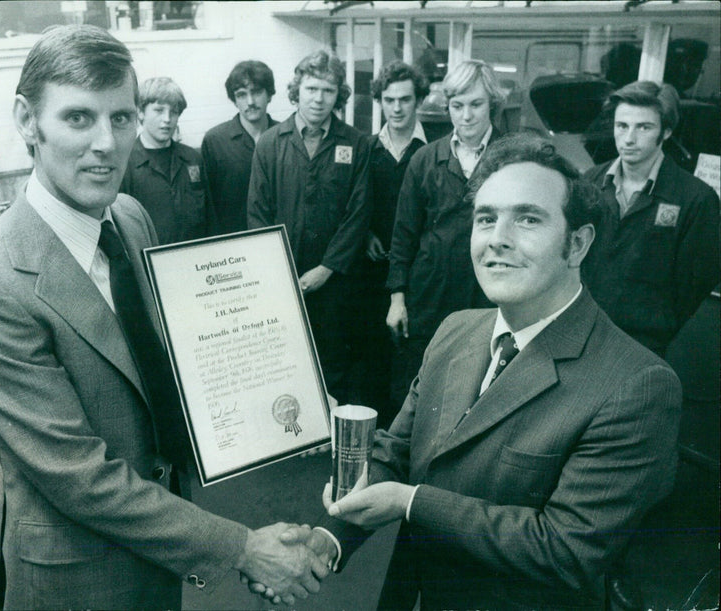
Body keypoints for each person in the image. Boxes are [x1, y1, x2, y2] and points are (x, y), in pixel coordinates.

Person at [0, 25, 328, 610]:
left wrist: (273, 417)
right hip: (78, 576)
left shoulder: (127, 215)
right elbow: (80, 477)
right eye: (79, 118)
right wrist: (244, 547)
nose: (107, 143)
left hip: (158, 550)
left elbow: (156, 369)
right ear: (27, 121)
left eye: (121, 118)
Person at [278, 133, 682, 610]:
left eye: (527, 219)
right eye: (486, 219)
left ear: (577, 244)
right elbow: (397, 452)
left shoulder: (636, 384)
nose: (496, 239)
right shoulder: (456, 331)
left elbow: (567, 549)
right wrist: (329, 537)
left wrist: (411, 502)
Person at [248, 50, 371, 404]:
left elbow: (358, 213)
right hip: (281, 279)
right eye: (312, 88)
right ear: (297, 90)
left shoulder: (355, 143)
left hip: (336, 283)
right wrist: (278, 270)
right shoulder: (270, 143)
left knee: (333, 363)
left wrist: (327, 268)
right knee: (285, 362)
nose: (319, 99)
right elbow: (257, 213)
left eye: (328, 91)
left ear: (339, 95)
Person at [385, 59, 503, 409]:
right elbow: (403, 235)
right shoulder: (425, 159)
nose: (466, 116)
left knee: (477, 392)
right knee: (418, 389)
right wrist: (397, 299)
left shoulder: (510, 158)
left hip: (488, 297)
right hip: (429, 297)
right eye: (457, 106)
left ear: (491, 104)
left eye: (475, 105)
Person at [583, 80, 720, 358]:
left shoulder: (695, 198)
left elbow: (695, 284)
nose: (629, 138)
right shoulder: (588, 183)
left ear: (666, 131)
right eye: (622, 126)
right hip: (581, 334)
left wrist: (656, 325)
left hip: (645, 346)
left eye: (644, 127)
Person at [348, 60, 429, 427]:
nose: (397, 108)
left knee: (411, 360)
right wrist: (364, 234)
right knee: (371, 361)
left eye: (405, 100)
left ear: (418, 101)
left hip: (416, 273)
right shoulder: (366, 148)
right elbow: (353, 203)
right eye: (389, 100)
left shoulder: (430, 153)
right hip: (370, 274)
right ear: (380, 101)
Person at [120, 76, 211, 244]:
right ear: (140, 112)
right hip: (148, 262)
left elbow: (210, 217)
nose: (167, 119)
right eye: (159, 110)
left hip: (197, 259)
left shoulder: (192, 159)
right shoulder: (125, 163)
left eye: (173, 112)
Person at [202, 60, 278, 235]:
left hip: (277, 239)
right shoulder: (215, 140)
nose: (250, 101)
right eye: (242, 94)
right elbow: (209, 205)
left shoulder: (286, 137)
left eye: (257, 92)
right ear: (234, 100)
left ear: (269, 94)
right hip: (232, 242)